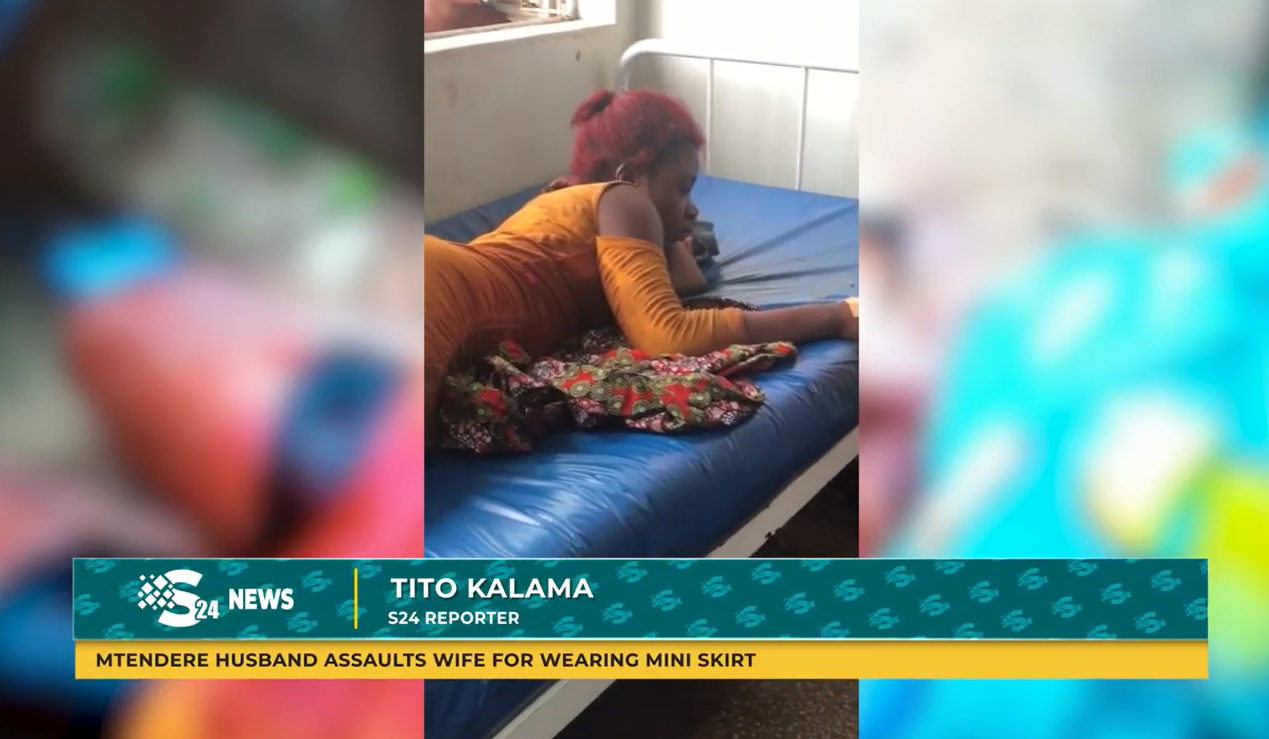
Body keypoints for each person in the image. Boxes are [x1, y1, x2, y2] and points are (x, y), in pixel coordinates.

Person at [423, 89, 859, 441]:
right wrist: (835, 316)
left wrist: (672, 232)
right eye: (682, 188)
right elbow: (667, 334)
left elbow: (687, 279)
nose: (693, 209)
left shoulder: (578, 209)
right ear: (629, 177)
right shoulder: (624, 199)